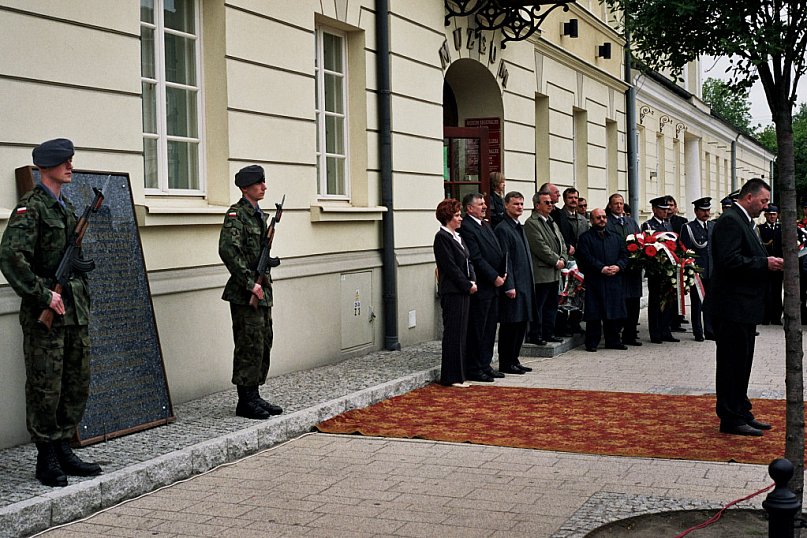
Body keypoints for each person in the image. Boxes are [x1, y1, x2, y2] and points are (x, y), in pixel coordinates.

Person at [0, 138, 102, 487]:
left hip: (73, 310)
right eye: (65, 162)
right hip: (48, 313)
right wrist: (43, 295)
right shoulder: (32, 208)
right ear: (47, 167)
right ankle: (46, 457)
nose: (71, 167)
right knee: (46, 385)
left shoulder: (66, 207)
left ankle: (63, 447)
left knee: (75, 380)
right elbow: (11, 258)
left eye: (71, 161)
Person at [706, 178, 783, 436]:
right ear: (749, 197)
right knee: (731, 363)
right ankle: (730, 418)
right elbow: (729, 260)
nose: (765, 207)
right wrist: (765, 263)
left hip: (743, 307)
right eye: (763, 201)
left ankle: (741, 410)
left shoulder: (744, 221)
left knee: (742, 362)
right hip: (731, 307)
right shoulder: (730, 220)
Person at [219, 165, 283, 419]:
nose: (264, 187)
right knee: (247, 344)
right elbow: (228, 251)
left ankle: (254, 395)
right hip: (246, 293)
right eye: (258, 183)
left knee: (262, 343)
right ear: (245, 187)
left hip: (262, 291)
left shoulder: (259, 216)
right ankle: (244, 401)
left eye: (264, 182)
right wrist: (250, 283)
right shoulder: (237, 215)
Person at [459, 193, 506, 382]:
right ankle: (474, 367)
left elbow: (496, 251)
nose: (485, 206)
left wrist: (502, 273)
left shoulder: (484, 225)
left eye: (484, 203)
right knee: (478, 328)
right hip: (483, 286)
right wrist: (494, 277)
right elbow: (476, 258)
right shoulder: (467, 227)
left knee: (489, 329)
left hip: (494, 286)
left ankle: (485, 364)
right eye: (480, 204)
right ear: (470, 208)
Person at [433, 198, 477, 387]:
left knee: (462, 332)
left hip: (464, 290)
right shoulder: (442, 237)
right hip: (453, 291)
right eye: (457, 215)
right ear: (448, 217)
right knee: (453, 333)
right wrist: (466, 285)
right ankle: (451, 376)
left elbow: (468, 261)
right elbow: (450, 267)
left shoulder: (456, 237)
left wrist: (473, 279)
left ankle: (460, 373)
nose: (460, 219)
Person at [575, 208, 628, 352]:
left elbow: (624, 255)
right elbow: (585, 257)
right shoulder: (585, 238)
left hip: (613, 280)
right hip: (595, 280)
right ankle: (592, 342)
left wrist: (618, 266)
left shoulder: (616, 237)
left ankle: (613, 340)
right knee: (594, 313)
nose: (602, 220)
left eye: (604, 217)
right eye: (598, 218)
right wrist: (601, 268)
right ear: (591, 220)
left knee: (614, 312)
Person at [494, 192, 535, 375]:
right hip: (514, 285)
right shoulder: (503, 228)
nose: (519, 207)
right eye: (515, 204)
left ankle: (514, 359)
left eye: (521, 204)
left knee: (521, 324)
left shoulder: (519, 226)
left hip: (525, 283)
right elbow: (505, 259)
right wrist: (508, 284)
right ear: (506, 206)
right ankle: (506, 361)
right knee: (510, 325)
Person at [524, 191, 567, 345]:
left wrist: (563, 257)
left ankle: (549, 332)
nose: (551, 205)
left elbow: (562, 242)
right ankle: (536, 334)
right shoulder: (532, 223)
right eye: (547, 202)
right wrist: (556, 261)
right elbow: (539, 246)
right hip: (542, 272)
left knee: (552, 305)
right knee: (539, 306)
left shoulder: (552, 222)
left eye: (551, 202)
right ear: (537, 205)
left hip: (554, 272)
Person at [605, 193, 643, 346]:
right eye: (616, 204)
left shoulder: (631, 221)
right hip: (617, 269)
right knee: (617, 305)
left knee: (633, 305)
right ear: (610, 206)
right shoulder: (607, 222)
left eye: (621, 203)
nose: (619, 206)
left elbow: (639, 240)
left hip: (632, 269)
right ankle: (613, 337)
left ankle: (630, 334)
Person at [641, 196, 678, 344]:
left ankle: (666, 330)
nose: (665, 212)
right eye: (662, 209)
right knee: (656, 301)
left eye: (667, 209)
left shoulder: (668, 224)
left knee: (668, 300)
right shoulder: (648, 225)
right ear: (654, 210)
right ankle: (655, 332)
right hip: (656, 270)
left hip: (668, 269)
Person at [680, 197, 715, 341]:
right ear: (696, 211)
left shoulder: (713, 226)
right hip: (696, 271)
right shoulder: (688, 227)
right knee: (696, 303)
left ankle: (710, 330)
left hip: (712, 270)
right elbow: (685, 250)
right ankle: (698, 332)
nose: (706, 213)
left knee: (710, 302)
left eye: (708, 210)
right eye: (703, 210)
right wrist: (689, 270)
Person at [758, 205, 783, 325]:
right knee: (765, 291)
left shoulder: (782, 228)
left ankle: (776, 317)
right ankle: (765, 316)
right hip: (765, 264)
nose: (772, 216)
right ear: (765, 215)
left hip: (779, 265)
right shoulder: (760, 229)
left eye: (774, 214)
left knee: (777, 291)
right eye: (770, 214)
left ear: (777, 215)